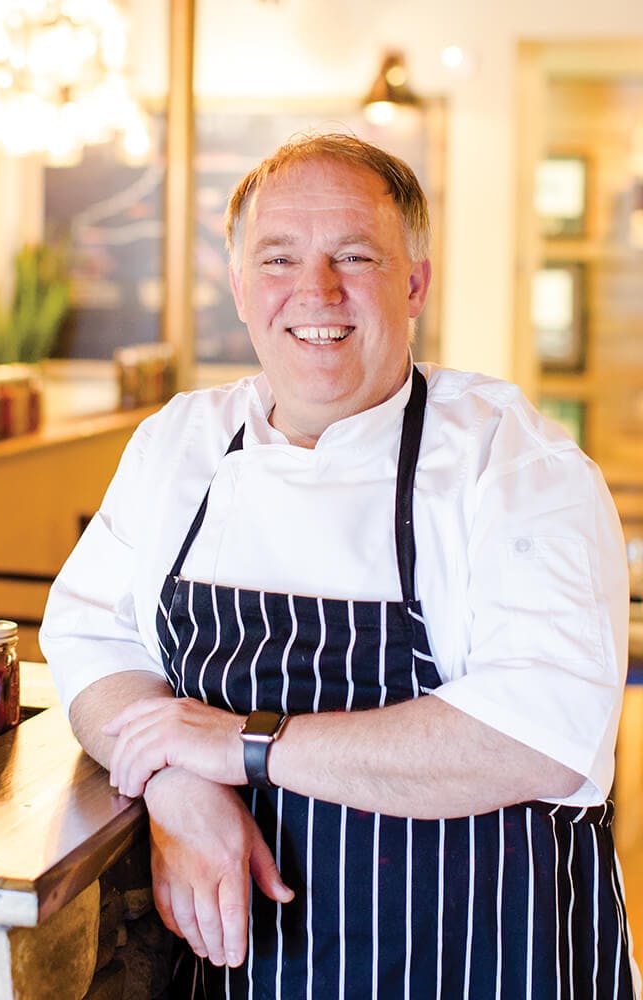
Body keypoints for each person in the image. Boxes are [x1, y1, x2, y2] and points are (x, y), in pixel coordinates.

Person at [40, 132, 639, 999]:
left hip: (484, 962)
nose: (315, 292)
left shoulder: (511, 462)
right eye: (278, 259)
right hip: (248, 973)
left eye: (354, 255)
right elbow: (93, 642)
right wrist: (174, 778)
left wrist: (244, 746)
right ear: (242, 290)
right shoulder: (180, 444)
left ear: (415, 285)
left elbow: (538, 733)